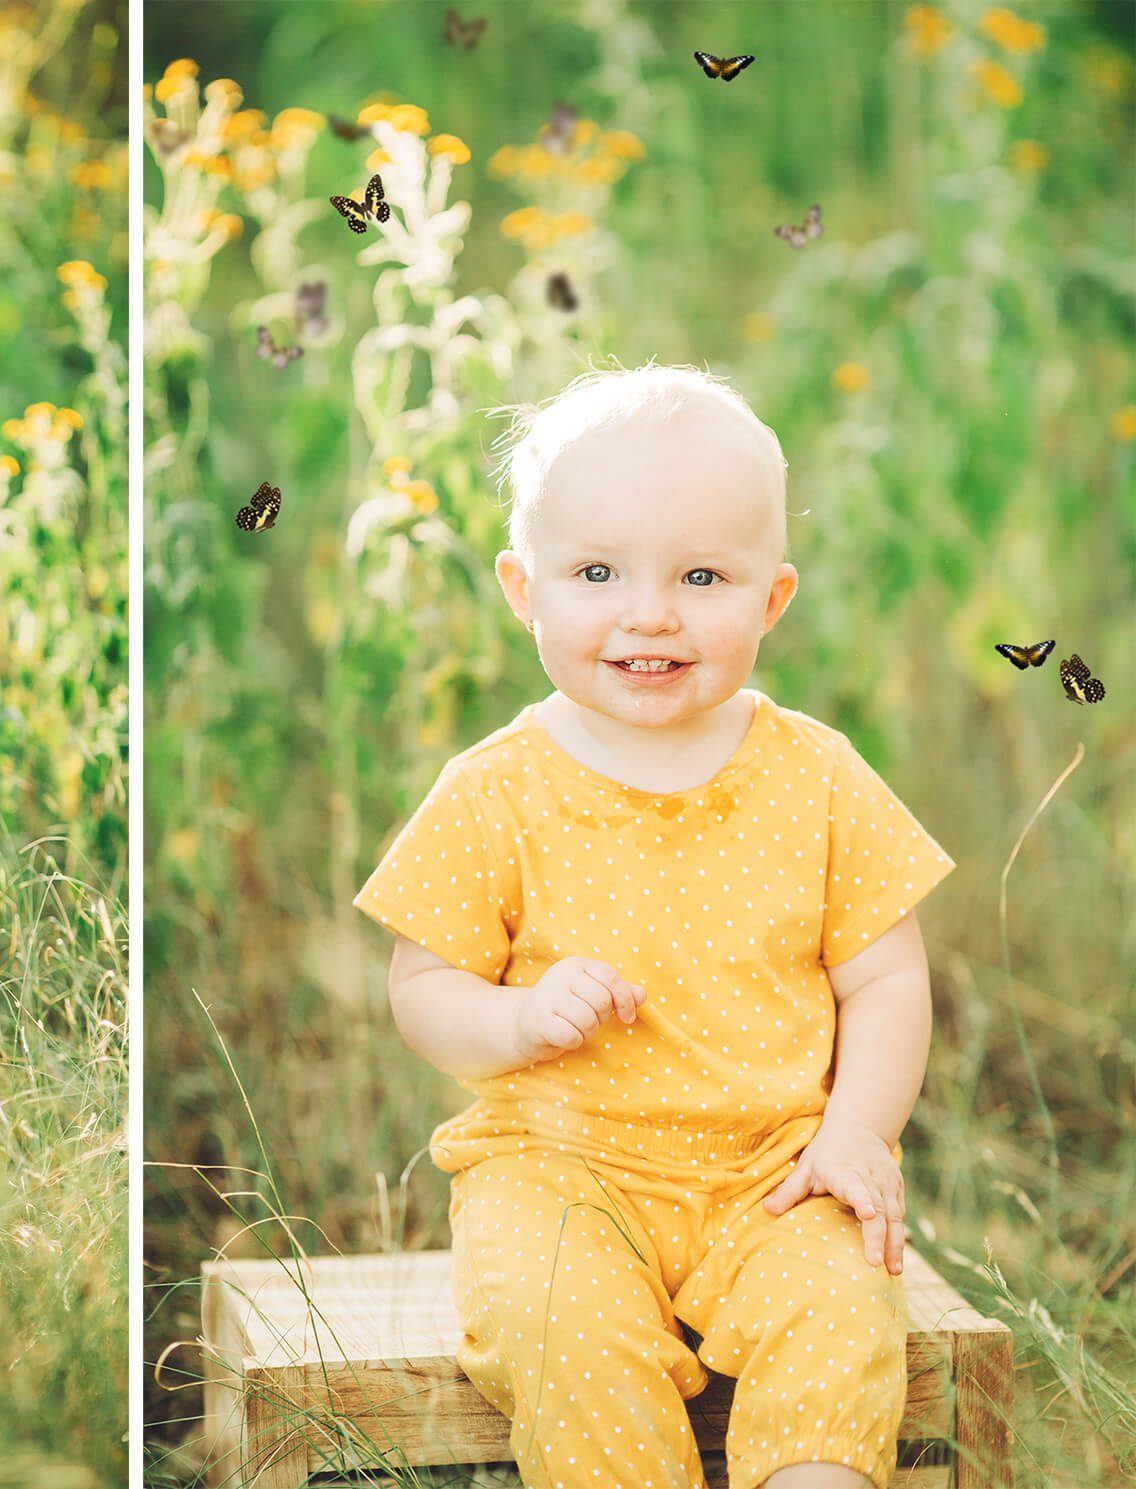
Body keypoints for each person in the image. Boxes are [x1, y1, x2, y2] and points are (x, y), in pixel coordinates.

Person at [353, 363, 955, 1489]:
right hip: (558, 1175)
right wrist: (517, 1016)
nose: (649, 613)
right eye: (595, 571)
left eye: (699, 575)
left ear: (769, 599)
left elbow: (884, 978)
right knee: (561, 1327)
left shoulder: (816, 775)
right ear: (522, 588)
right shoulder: (493, 791)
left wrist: (856, 1133)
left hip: (777, 1169)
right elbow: (420, 986)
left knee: (836, 1311)